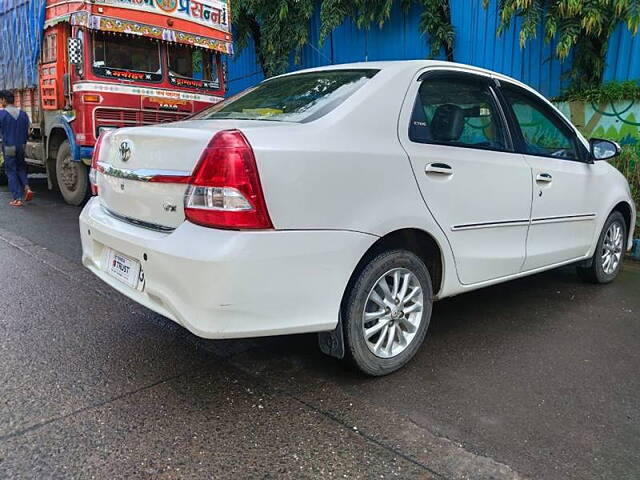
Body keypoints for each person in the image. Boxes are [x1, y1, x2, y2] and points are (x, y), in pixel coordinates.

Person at [0, 90, 32, 206]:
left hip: (9, 146)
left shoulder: (2, 114)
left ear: (4, 100)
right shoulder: (23, 114)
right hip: (22, 146)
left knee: (11, 171)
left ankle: (17, 198)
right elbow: (28, 131)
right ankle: (27, 188)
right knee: (21, 168)